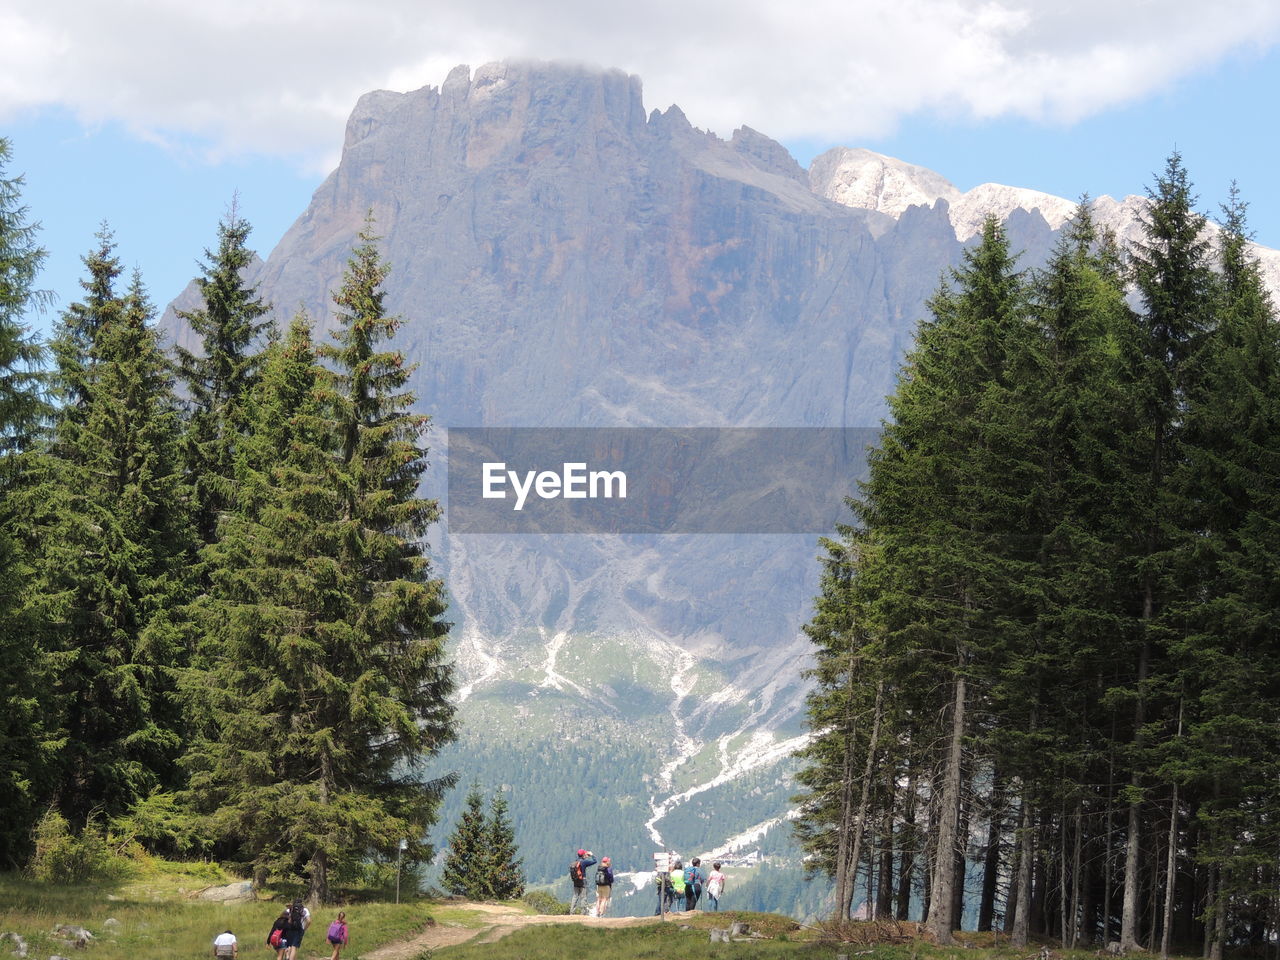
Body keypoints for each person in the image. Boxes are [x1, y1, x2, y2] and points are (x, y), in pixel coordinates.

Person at [569, 848, 597, 915]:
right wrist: (591, 855)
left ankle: (572, 912)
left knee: (575, 896)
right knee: (583, 897)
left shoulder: (575, 862)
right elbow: (594, 861)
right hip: (582, 881)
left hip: (575, 881)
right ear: (583, 855)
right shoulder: (584, 862)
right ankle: (583, 913)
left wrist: (585, 857)